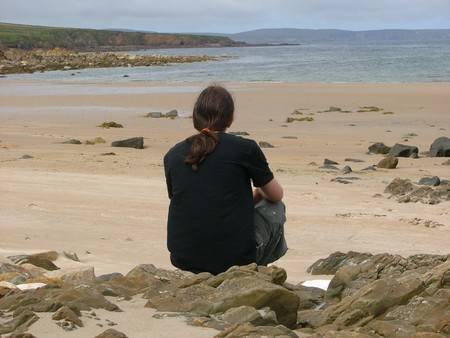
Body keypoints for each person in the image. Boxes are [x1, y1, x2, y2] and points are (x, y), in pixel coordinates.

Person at [163, 85, 287, 275]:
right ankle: (256, 272)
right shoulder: (245, 148)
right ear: (230, 117)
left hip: (183, 257)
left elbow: (193, 199)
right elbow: (276, 195)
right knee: (275, 207)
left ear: (196, 115)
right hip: (234, 259)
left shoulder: (173, 155)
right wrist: (259, 193)